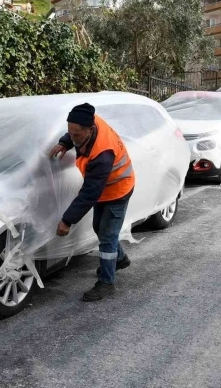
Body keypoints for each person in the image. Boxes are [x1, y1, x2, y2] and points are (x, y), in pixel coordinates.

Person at [49, 103, 135, 302]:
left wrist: (67, 220)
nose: (73, 137)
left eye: (77, 135)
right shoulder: (88, 119)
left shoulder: (102, 154)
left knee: (107, 235)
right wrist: (64, 142)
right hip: (104, 189)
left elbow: (89, 193)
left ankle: (106, 282)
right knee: (100, 228)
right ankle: (120, 259)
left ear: (90, 130)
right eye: (71, 133)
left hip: (118, 189)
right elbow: (74, 131)